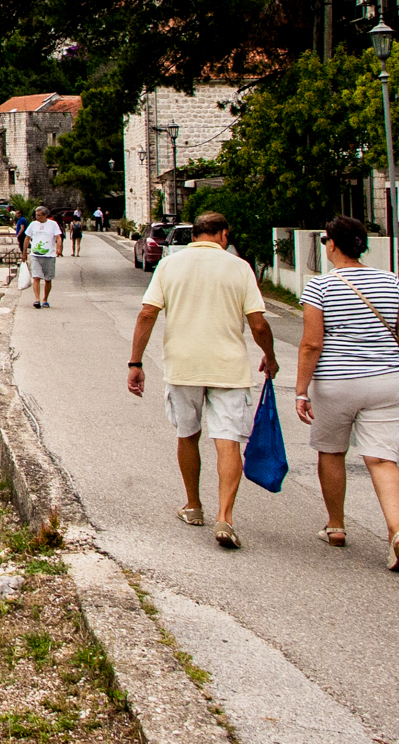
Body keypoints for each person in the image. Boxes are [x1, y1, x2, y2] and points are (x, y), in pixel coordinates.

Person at [126, 210, 278, 550]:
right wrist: (269, 356)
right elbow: (258, 324)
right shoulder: (240, 267)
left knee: (187, 434)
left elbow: (147, 313)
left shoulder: (169, 265)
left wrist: (136, 362)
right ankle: (225, 517)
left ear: (194, 235)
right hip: (229, 368)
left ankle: (193, 506)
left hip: (184, 366)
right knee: (227, 441)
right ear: (223, 235)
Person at [294, 215, 399, 573]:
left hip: (337, 383)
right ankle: (398, 533)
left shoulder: (320, 287)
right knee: (383, 460)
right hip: (388, 381)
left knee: (332, 451)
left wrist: (301, 390)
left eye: (326, 241)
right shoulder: (391, 282)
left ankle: (336, 526)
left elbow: (311, 344)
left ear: (333, 245)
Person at [20, 205, 65, 309]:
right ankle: (37, 299)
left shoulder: (53, 224)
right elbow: (27, 238)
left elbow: (58, 237)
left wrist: (59, 248)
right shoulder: (33, 224)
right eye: (36, 215)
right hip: (35, 255)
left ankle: (45, 299)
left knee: (47, 279)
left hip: (49, 255)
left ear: (45, 215)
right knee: (36, 277)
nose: (37, 217)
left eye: (39, 215)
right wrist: (24, 253)